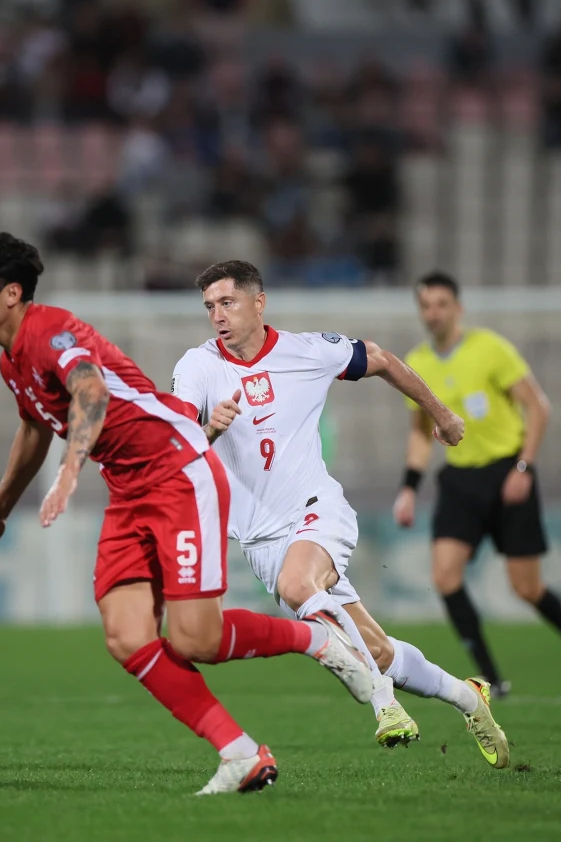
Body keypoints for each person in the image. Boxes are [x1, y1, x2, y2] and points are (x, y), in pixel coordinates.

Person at [0, 233, 374, 795]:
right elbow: (32, 429)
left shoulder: (52, 331)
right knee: (127, 636)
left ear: (10, 293)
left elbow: (91, 391)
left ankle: (317, 640)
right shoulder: (14, 363)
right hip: (129, 489)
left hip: (179, 470)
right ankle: (240, 753)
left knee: (195, 639)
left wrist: (71, 467)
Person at [170, 260, 511, 768]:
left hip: (316, 510)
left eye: (227, 302)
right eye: (210, 307)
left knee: (298, 586)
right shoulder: (198, 367)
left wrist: (440, 414)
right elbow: (177, 444)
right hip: (260, 541)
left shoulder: (306, 351)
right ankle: (468, 698)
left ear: (258, 302)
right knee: (374, 651)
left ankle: (386, 707)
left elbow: (380, 359)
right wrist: (210, 430)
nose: (217, 315)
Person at [393, 272, 561, 697]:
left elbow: (538, 407)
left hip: (507, 473)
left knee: (525, 587)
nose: (433, 313)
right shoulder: (418, 363)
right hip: (459, 480)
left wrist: (524, 468)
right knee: (445, 577)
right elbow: (419, 431)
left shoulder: (490, 349)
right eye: (426, 306)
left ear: (458, 308)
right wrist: (409, 487)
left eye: (441, 304)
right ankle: (493, 680)